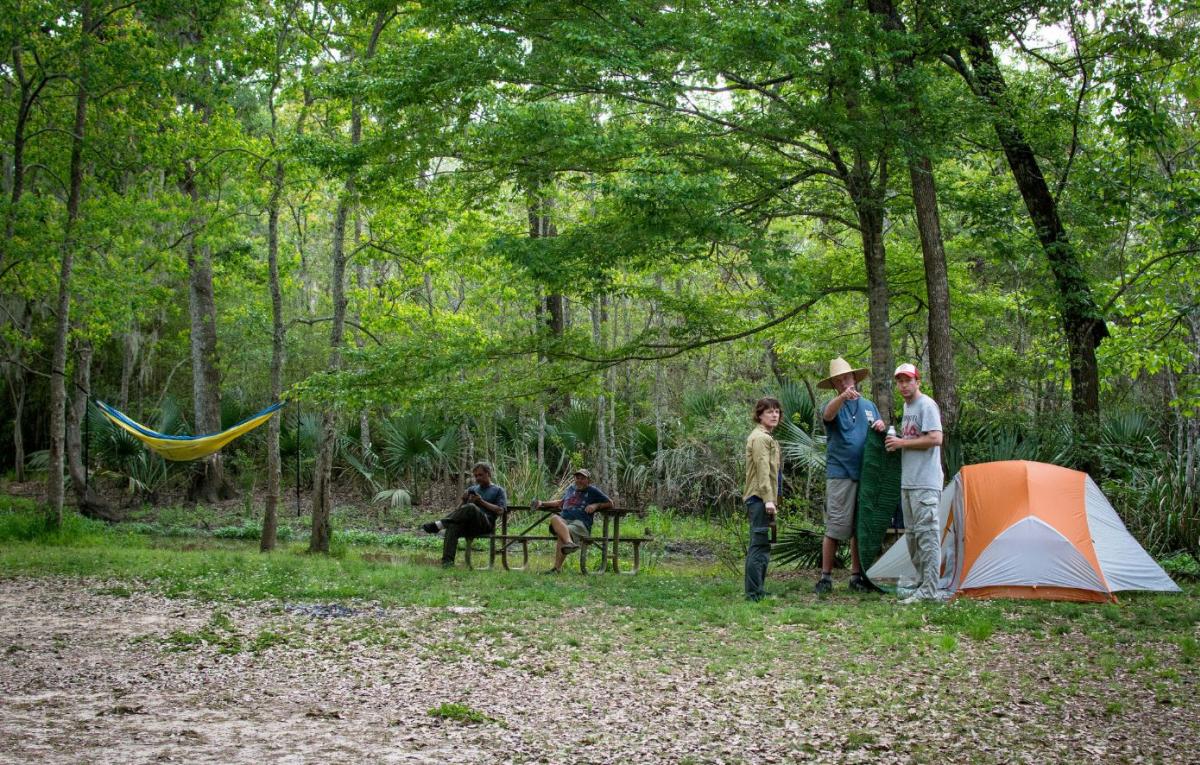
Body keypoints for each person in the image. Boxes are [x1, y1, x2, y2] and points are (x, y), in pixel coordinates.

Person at [815, 357, 887, 595]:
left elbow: (879, 428)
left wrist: (879, 426)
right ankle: (825, 577)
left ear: (855, 378)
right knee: (835, 526)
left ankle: (856, 576)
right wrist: (842, 398)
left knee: (859, 526)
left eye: (847, 378)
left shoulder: (868, 405)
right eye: (838, 381)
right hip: (840, 474)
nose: (844, 383)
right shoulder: (834, 404)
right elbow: (827, 415)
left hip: (865, 474)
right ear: (835, 385)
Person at [884, 363, 945, 604]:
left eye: (908, 380)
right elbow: (911, 439)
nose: (904, 385)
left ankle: (930, 590)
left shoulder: (926, 404)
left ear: (918, 382)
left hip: (926, 482)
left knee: (927, 535)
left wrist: (901, 444)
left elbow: (935, 438)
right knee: (913, 536)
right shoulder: (907, 407)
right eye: (899, 381)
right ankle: (922, 585)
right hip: (909, 481)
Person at [420, 462, 508, 568]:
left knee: (471, 507)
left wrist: (481, 502)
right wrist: (463, 500)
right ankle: (447, 564)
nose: (477, 478)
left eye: (480, 475)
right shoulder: (473, 489)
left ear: (488, 473)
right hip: (468, 526)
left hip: (485, 525)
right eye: (475, 476)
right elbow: (458, 512)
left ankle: (440, 525)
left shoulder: (498, 490)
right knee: (453, 526)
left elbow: (500, 511)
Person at [531, 469, 612, 573]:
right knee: (555, 518)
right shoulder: (570, 489)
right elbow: (560, 502)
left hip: (580, 523)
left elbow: (610, 503)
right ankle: (569, 544)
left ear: (588, 480)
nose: (579, 480)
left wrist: (596, 505)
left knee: (563, 532)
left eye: (583, 478)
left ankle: (557, 568)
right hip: (565, 521)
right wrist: (542, 503)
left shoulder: (593, 491)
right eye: (577, 478)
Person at [743, 397, 782, 602]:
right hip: (759, 498)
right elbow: (762, 469)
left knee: (762, 545)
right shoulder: (760, 438)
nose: (774, 415)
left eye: (776, 411)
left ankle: (758, 589)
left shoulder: (768, 437)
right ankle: (754, 593)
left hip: (764, 498)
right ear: (759, 415)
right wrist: (768, 499)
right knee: (759, 545)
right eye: (769, 412)